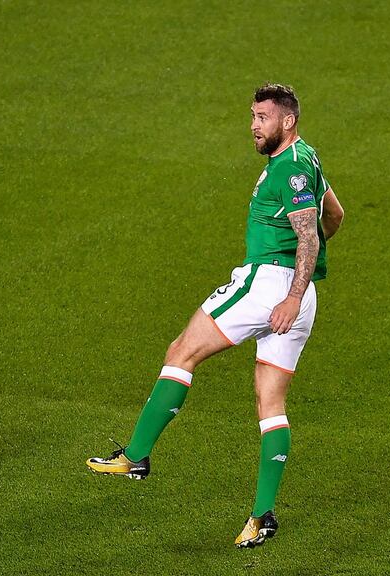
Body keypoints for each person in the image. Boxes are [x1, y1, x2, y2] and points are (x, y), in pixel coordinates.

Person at [87, 83, 345, 548]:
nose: (253, 125)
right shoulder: (308, 158)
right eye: (252, 116)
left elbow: (310, 237)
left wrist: (287, 288)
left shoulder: (289, 168)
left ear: (287, 121)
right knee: (271, 404)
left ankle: (137, 455)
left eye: (262, 117)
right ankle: (263, 515)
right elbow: (336, 217)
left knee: (181, 351)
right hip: (301, 299)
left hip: (270, 286)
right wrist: (299, 286)